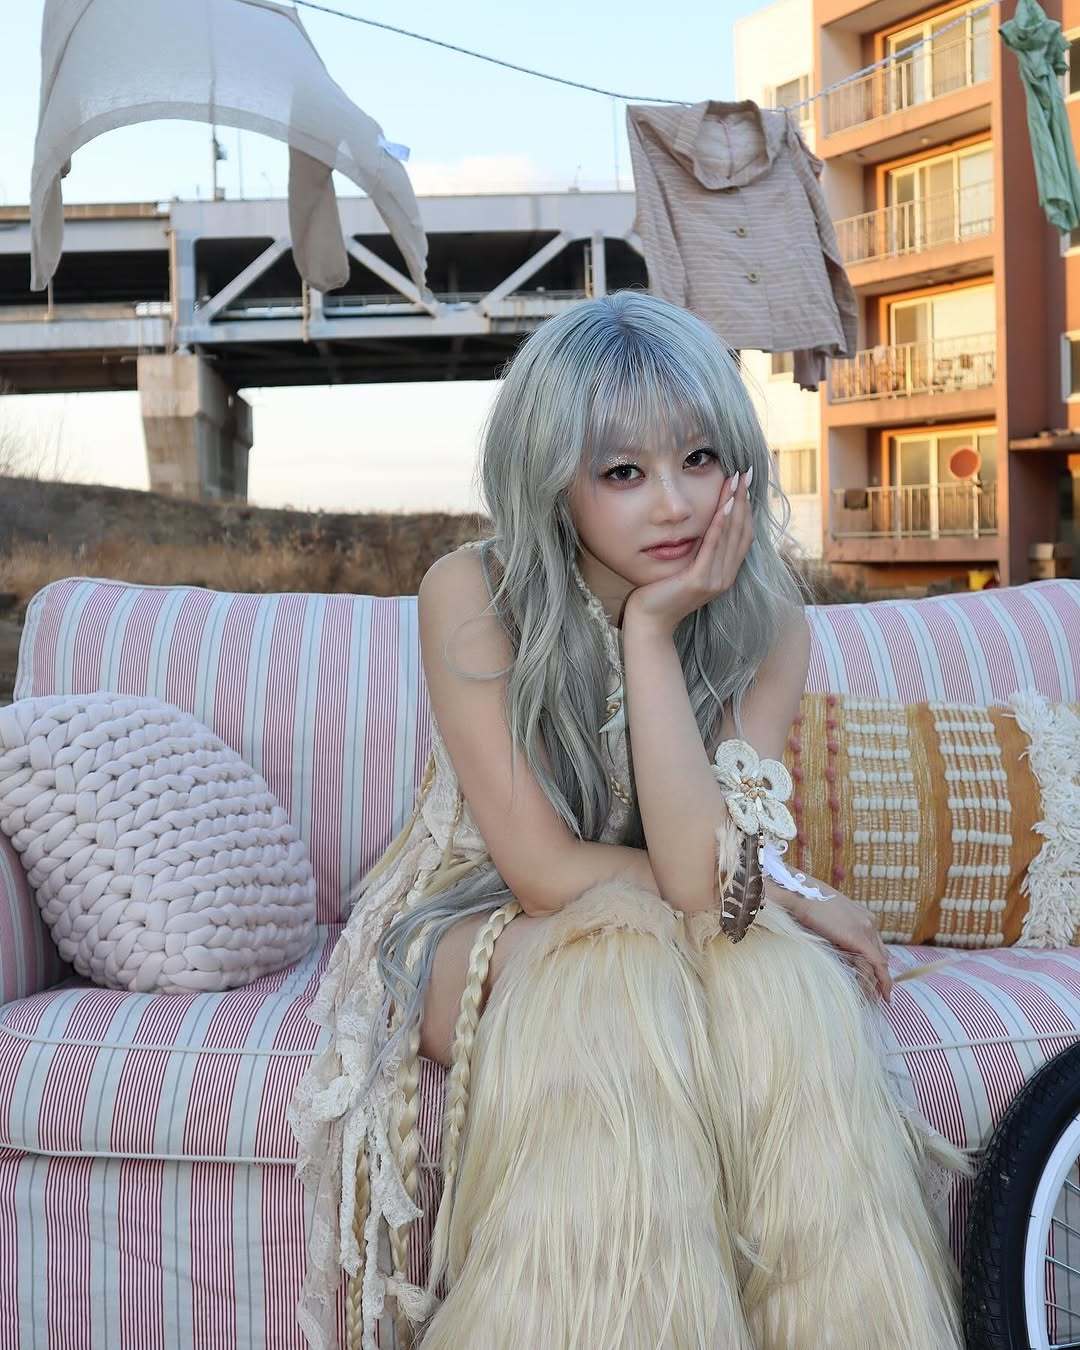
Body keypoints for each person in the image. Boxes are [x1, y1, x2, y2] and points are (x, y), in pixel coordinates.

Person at [286, 290, 974, 1350]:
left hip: (669, 913)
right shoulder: (471, 591)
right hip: (469, 913)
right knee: (614, 969)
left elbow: (702, 884)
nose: (675, 505)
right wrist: (775, 887)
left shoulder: (769, 624)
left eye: (699, 458)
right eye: (622, 472)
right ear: (552, 483)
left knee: (782, 985)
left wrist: (653, 637)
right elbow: (545, 870)